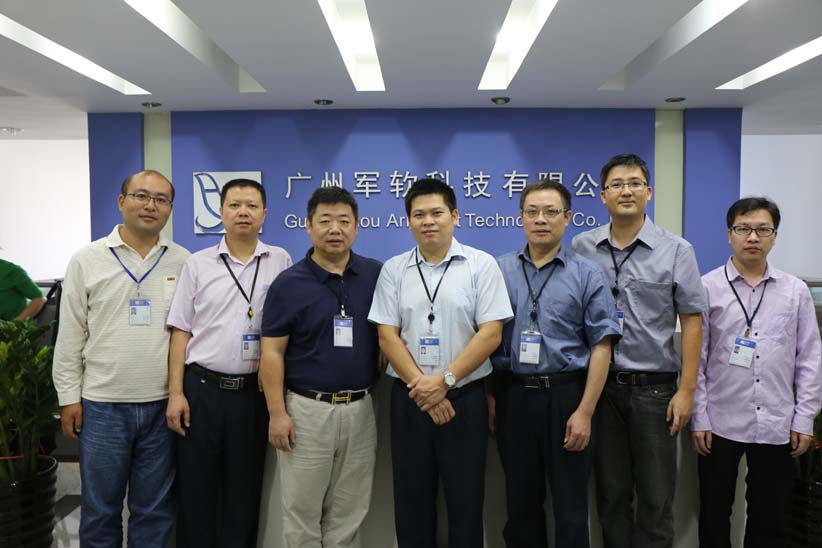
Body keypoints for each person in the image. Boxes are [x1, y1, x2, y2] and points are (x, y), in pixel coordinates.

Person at [368, 178, 513, 548]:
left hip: (464, 399)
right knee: (411, 501)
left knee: (466, 501)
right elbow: (387, 337)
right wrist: (426, 390)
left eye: (436, 213)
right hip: (410, 400)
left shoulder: (481, 265)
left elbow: (490, 334)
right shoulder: (394, 269)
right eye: (419, 215)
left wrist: (444, 382)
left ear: (455, 216)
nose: (428, 221)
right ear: (408, 221)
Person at [572, 153, 707, 548]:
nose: (626, 191)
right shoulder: (583, 246)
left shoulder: (677, 250)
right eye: (616, 184)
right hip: (600, 391)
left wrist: (687, 390)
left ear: (648, 192)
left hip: (655, 390)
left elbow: (692, 321)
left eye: (634, 183)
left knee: (655, 498)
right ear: (603, 195)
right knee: (611, 496)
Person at [52, 170, 189, 547]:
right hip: (102, 406)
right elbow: (70, 334)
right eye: (141, 196)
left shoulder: (183, 261)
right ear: (121, 201)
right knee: (100, 511)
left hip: (162, 406)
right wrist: (69, 397)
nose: (150, 206)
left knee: (154, 511)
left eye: (161, 199)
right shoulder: (87, 259)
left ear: (170, 209)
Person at [493, 179, 621, 547]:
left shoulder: (587, 273)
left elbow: (602, 346)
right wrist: (490, 397)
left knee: (570, 505)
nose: (540, 219)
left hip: (568, 398)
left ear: (567, 218)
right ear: (521, 217)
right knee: (520, 503)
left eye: (551, 212)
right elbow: (487, 339)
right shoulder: (499, 270)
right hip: (514, 396)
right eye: (532, 212)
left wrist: (585, 411)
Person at [165, 178, 292, 548]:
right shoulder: (197, 264)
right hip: (201, 391)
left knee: (244, 492)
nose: (243, 212)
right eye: (235, 205)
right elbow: (181, 331)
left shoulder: (280, 261)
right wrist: (176, 393)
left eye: (251, 206)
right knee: (196, 490)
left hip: (253, 395)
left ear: (264, 214)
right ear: (220, 212)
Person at [691, 197, 822, 548]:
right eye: (743, 229)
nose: (753, 237)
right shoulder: (706, 287)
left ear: (774, 236)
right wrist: (699, 417)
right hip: (718, 421)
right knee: (714, 512)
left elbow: (810, 358)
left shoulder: (795, 291)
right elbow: (697, 358)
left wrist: (804, 418)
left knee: (770, 517)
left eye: (763, 229)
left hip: (777, 421)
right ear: (729, 234)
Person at [260, 186, 382, 548]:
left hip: (361, 409)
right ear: (308, 226)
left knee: (350, 512)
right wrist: (277, 413)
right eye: (325, 221)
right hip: (306, 412)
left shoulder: (375, 275)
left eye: (344, 221)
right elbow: (272, 353)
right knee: (302, 512)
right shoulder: (288, 283)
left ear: (357, 226)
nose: (335, 229)